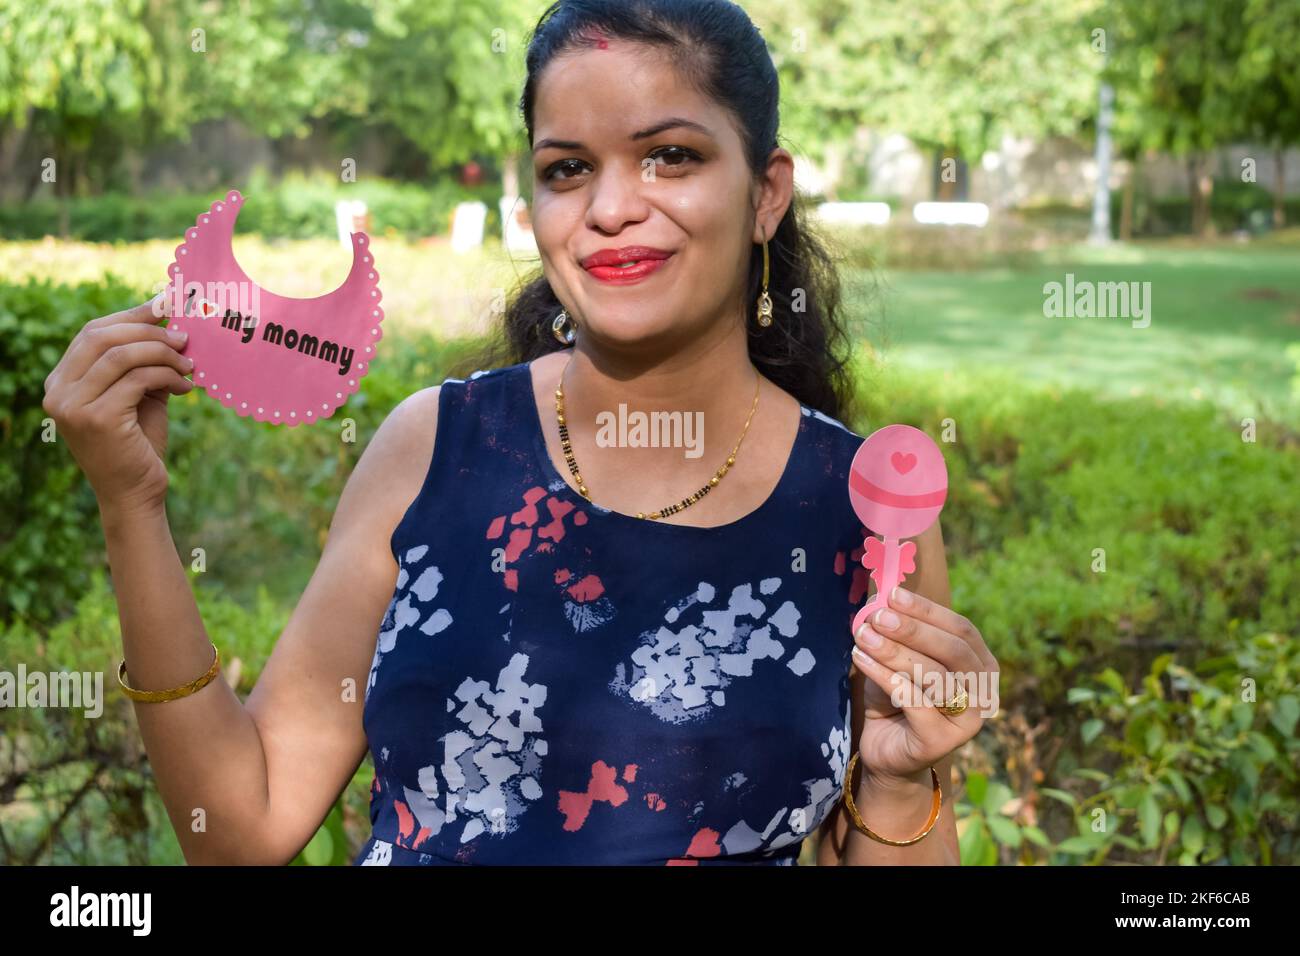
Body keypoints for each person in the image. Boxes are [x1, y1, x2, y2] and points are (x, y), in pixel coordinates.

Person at [41, 0, 997, 866]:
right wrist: (134, 510)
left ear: (766, 192)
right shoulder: (434, 447)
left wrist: (902, 779)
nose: (612, 208)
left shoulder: (870, 509)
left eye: (672, 156)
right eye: (567, 169)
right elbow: (240, 827)